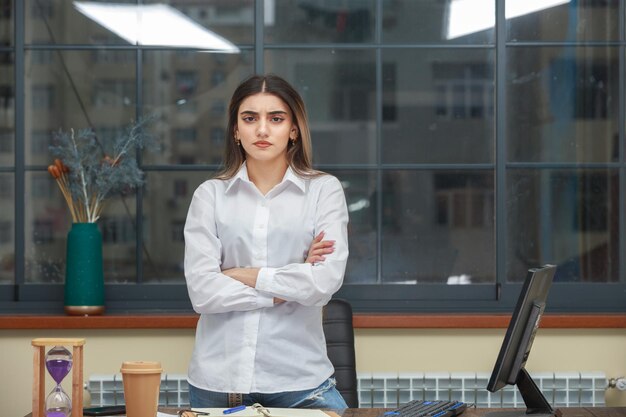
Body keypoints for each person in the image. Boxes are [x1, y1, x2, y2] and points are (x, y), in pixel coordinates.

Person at [183, 74, 350, 409]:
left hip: (302, 384)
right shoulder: (210, 196)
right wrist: (291, 280)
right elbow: (202, 293)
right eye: (249, 118)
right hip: (219, 383)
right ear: (235, 130)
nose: (262, 130)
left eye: (275, 119)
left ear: (293, 129)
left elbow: (323, 283)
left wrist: (240, 274)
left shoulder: (323, 190)